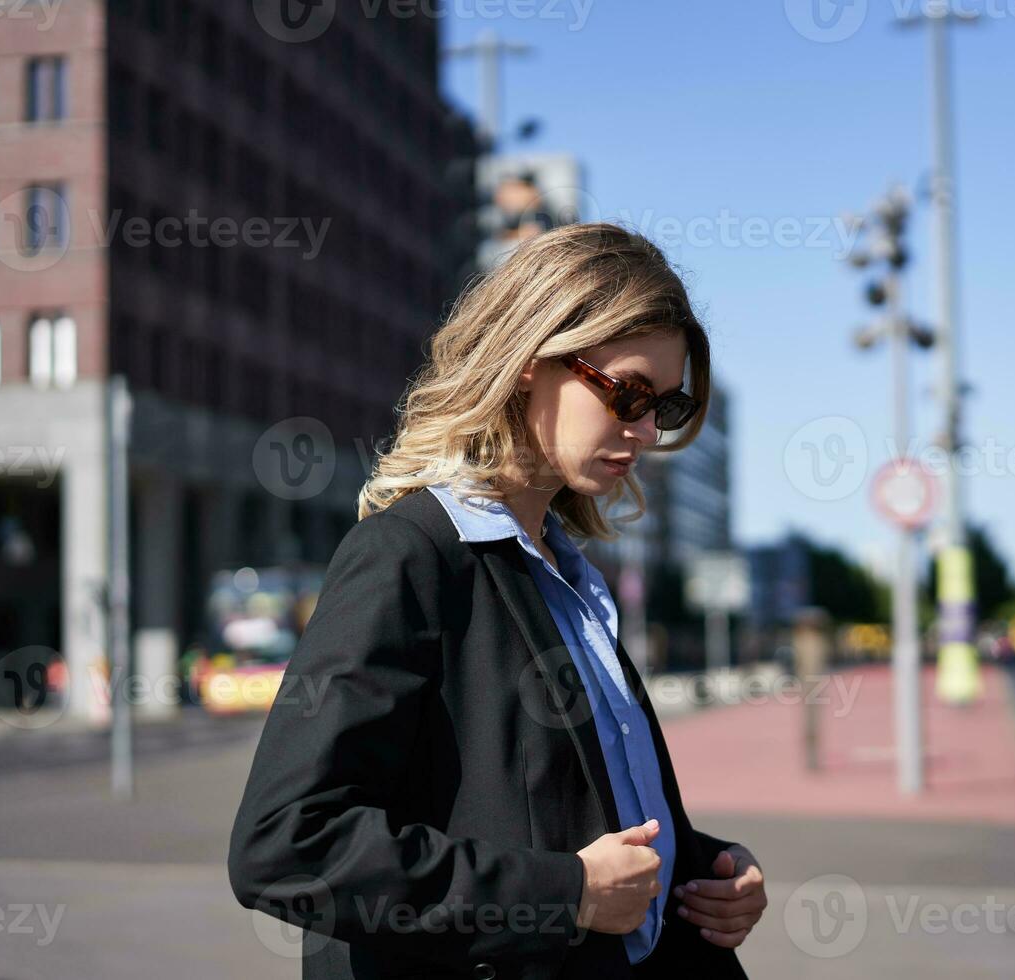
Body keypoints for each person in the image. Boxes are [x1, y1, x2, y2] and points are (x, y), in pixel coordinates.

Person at [228, 223, 765, 979]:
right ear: (527, 362)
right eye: (630, 393)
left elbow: (571, 808)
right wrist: (564, 893)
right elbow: (287, 845)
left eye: (666, 408)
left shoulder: (568, 575)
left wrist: (704, 870)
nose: (645, 431)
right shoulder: (409, 556)